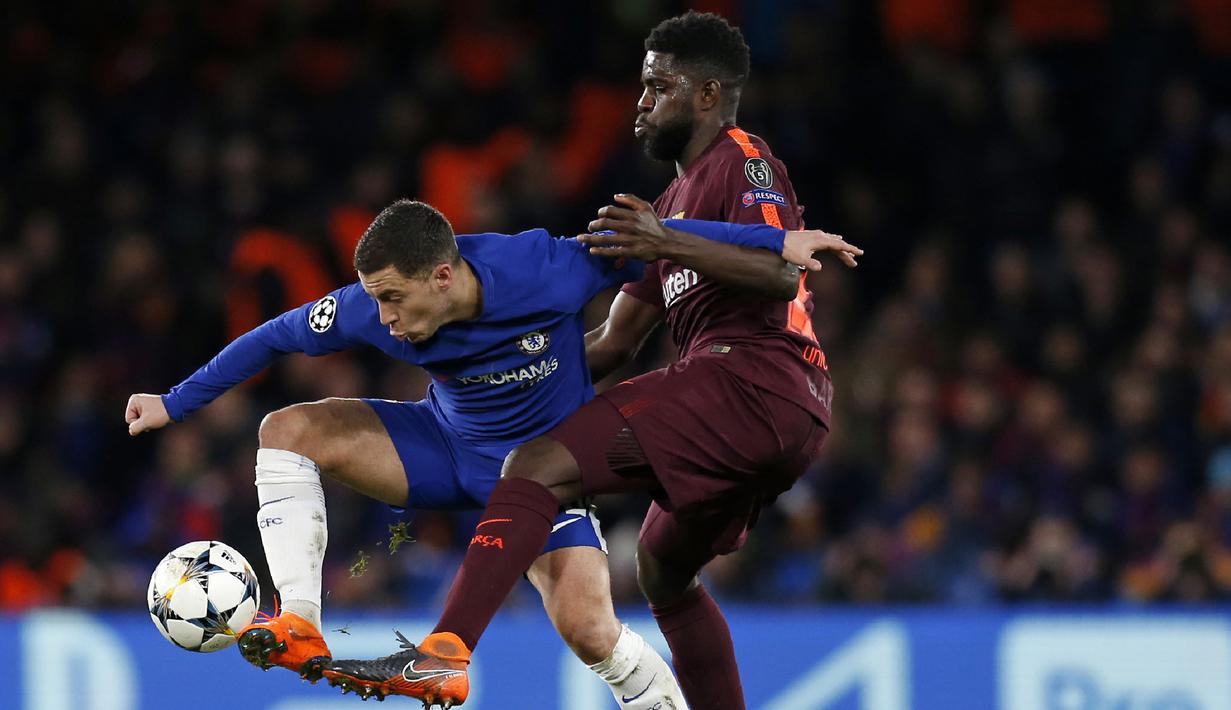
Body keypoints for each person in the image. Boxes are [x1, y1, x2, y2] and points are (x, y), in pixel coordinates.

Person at [125, 197, 854, 708]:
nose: (382, 319)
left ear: (442, 277)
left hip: (545, 476)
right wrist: (173, 402)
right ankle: (300, 619)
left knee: (592, 631)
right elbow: (273, 336)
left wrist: (776, 242)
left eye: (393, 300)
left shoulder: (545, 270)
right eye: (374, 300)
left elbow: (657, 236)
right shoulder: (371, 310)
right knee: (287, 429)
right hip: (443, 449)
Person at [321, 13, 854, 710]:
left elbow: (780, 272)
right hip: (758, 410)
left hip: (755, 376)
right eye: (640, 86)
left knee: (538, 468)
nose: (640, 102)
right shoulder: (663, 207)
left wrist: (666, 240)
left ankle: (440, 657)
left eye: (658, 86)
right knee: (661, 571)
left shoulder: (741, 158)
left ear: (705, 93)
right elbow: (610, 344)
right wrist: (506, 379)